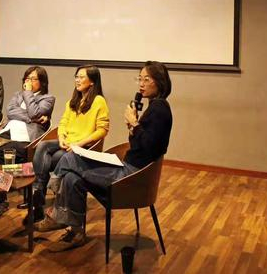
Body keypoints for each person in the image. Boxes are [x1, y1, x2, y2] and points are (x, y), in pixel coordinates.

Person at [35, 61, 173, 252]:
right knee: (72, 177)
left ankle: (55, 211)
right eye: (139, 79)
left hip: (133, 175)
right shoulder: (155, 106)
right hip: (129, 168)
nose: (141, 84)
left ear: (159, 81)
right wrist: (133, 127)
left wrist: (135, 124)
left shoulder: (160, 109)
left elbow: (151, 146)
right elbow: (141, 144)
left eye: (146, 79)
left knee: (71, 158)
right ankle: (76, 233)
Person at [0, 66, 55, 217]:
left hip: (25, 140)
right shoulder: (17, 95)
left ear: (42, 82)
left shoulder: (47, 99)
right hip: (6, 134)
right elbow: (10, 111)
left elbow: (35, 112)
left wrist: (28, 94)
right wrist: (31, 118)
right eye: (27, 79)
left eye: (33, 79)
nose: (28, 82)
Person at [31, 65, 109, 222]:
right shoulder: (72, 101)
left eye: (82, 77)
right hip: (67, 142)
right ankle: (38, 191)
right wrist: (61, 138)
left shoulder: (98, 101)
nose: (77, 80)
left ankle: (38, 199)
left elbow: (102, 130)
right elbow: (63, 123)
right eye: (76, 77)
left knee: (52, 158)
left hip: (83, 147)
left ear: (92, 81)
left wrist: (79, 144)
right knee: (42, 145)